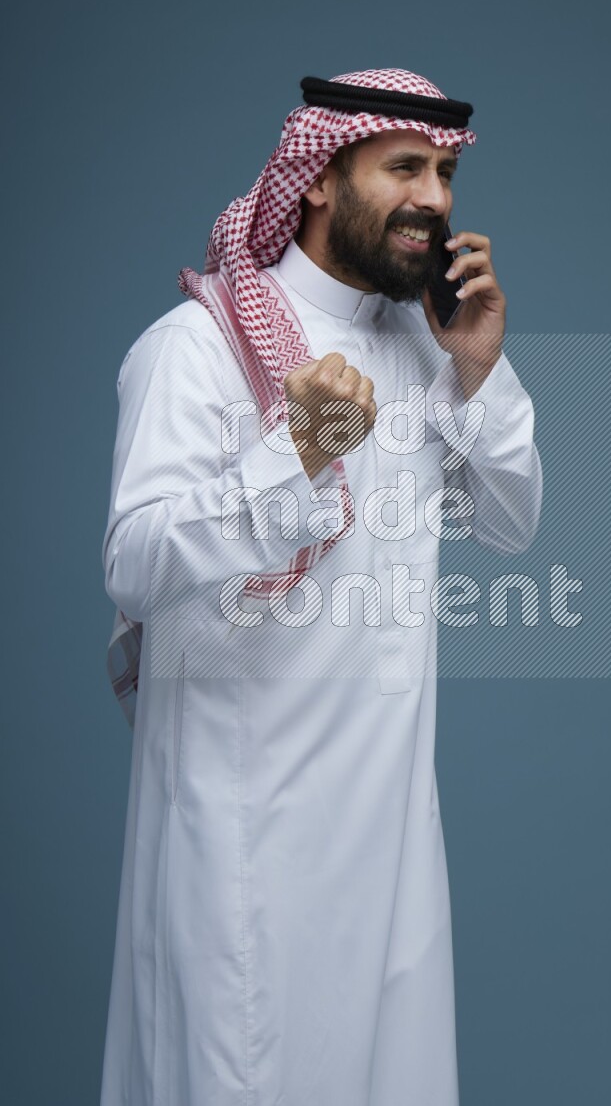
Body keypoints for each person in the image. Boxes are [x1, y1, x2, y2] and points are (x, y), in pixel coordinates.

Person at [100, 67, 543, 1106]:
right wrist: (297, 453)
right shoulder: (195, 350)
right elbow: (132, 559)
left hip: (390, 847)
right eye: (402, 167)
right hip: (245, 838)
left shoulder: (423, 353)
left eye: (442, 173)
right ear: (314, 179)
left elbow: (514, 525)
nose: (433, 197)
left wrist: (479, 370)